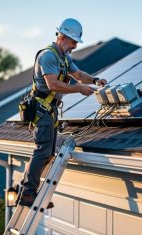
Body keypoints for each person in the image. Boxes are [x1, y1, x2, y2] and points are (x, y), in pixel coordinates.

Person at [18, 18, 107, 208]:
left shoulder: (64, 58)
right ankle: (27, 192)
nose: (75, 46)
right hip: (41, 110)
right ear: (63, 37)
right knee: (42, 151)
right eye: (73, 41)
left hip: (48, 111)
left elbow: (79, 75)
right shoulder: (48, 56)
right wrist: (78, 89)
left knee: (48, 153)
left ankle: (27, 189)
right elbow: (52, 84)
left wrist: (95, 80)